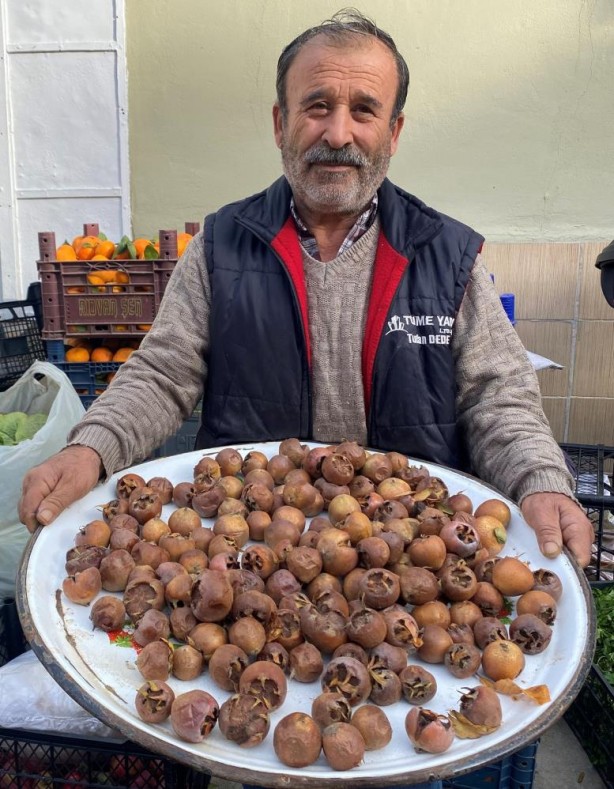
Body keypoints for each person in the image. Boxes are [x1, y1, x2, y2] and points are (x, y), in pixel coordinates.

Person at [19, 8, 593, 789]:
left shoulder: (447, 254)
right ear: (281, 121)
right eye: (318, 105)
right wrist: (91, 446)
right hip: (262, 610)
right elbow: (160, 372)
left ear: (394, 131)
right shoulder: (221, 246)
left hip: (408, 588)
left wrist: (542, 481)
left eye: (364, 110)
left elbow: (501, 398)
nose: (339, 131)